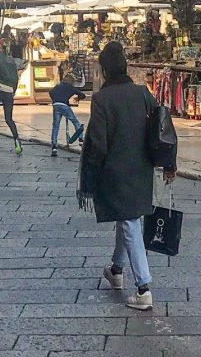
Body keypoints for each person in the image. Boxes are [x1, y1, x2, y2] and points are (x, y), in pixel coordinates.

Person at [79, 41, 176, 311]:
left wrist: (91, 174)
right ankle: (116, 270)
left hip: (115, 171)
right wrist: (168, 162)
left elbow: (97, 143)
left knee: (130, 223)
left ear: (105, 70)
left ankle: (143, 287)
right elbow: (162, 126)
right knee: (128, 219)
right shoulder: (142, 93)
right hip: (142, 168)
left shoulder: (102, 100)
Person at [0, 43, 23, 155]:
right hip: (9, 91)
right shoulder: (12, 60)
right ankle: (17, 140)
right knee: (9, 119)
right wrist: (13, 91)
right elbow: (16, 78)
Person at [50, 68, 87, 156]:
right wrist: (78, 98)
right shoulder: (70, 87)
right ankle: (81, 139)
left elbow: (50, 92)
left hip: (56, 105)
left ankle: (54, 146)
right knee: (75, 121)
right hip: (64, 106)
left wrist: (55, 99)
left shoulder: (57, 86)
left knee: (55, 126)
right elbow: (83, 95)